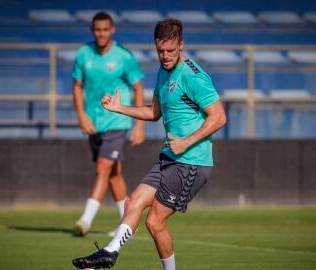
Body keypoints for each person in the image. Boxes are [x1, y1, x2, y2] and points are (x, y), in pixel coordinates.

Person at [72, 18, 226, 270]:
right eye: (160, 51)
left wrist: (185, 141)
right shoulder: (163, 71)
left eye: (170, 51)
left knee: (154, 222)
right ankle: (109, 254)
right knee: (133, 202)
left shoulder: (193, 76)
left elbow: (219, 116)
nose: (165, 56)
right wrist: (119, 108)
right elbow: (154, 112)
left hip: (191, 161)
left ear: (182, 45)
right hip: (170, 157)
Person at [72, 11, 145, 236]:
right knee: (113, 174)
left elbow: (138, 88)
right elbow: (77, 86)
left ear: (112, 30)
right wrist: (82, 116)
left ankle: (85, 221)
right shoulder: (84, 54)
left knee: (103, 167)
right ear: (92, 31)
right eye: (97, 30)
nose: (101, 34)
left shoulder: (123, 56)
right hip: (94, 123)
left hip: (117, 120)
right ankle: (128, 223)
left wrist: (139, 124)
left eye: (105, 29)